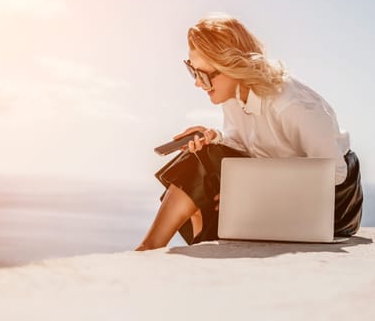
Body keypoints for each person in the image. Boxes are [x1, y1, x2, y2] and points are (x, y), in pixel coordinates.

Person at [135, 13, 363, 251]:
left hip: (331, 203)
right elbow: (248, 145)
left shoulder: (292, 104)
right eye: (192, 71)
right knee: (201, 156)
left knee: (214, 176)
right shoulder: (232, 96)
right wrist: (214, 137)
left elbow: (335, 174)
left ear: (231, 66)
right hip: (274, 181)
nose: (197, 83)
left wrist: (256, 195)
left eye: (203, 75)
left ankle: (196, 246)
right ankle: (153, 245)